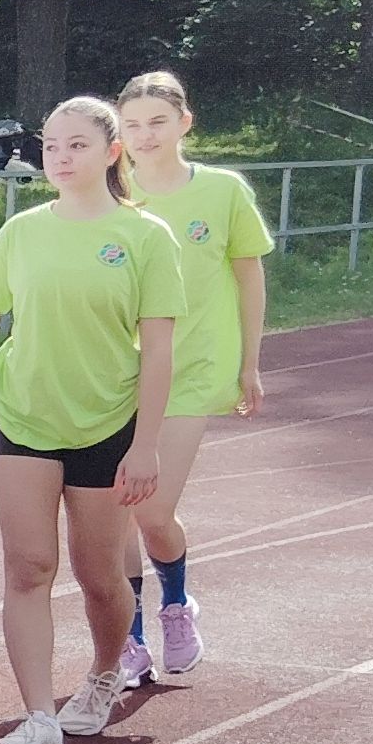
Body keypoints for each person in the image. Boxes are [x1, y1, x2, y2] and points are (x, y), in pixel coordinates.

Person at [0, 95, 180, 744]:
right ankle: (38, 719)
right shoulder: (20, 233)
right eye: (51, 146)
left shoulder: (146, 238)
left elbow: (159, 350)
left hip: (106, 422)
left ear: (111, 152)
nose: (60, 157)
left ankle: (102, 673)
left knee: (98, 577)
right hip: (26, 416)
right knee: (27, 565)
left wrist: (145, 444)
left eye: (76, 145)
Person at [114, 70, 270, 685]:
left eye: (157, 122)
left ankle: (175, 601)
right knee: (113, 512)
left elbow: (249, 276)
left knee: (151, 510)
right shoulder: (111, 189)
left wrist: (249, 362)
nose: (145, 135)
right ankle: (128, 638)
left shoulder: (223, 191)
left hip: (194, 367)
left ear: (184, 123)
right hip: (118, 369)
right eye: (131, 125)